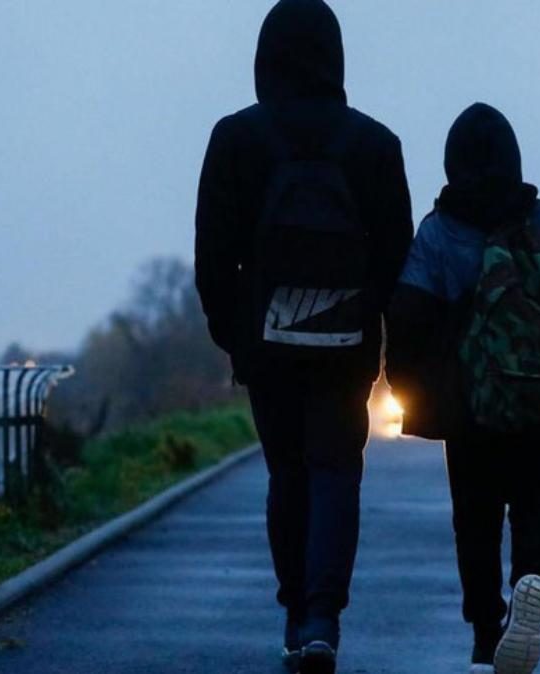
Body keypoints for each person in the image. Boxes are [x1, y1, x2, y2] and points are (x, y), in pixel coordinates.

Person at [194, 1, 413, 672]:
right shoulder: (373, 144)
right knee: (335, 472)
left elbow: (212, 256)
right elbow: (396, 257)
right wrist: (368, 326)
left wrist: (236, 336)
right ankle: (323, 618)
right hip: (344, 345)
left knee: (285, 473)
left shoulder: (236, 138)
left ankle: (294, 615)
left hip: (265, 341)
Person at [387, 103, 540, 674]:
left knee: (474, 517)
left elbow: (407, 315)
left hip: (469, 404)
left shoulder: (439, 232)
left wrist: (406, 386)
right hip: (538, 395)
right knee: (535, 505)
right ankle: (532, 584)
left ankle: (485, 629)